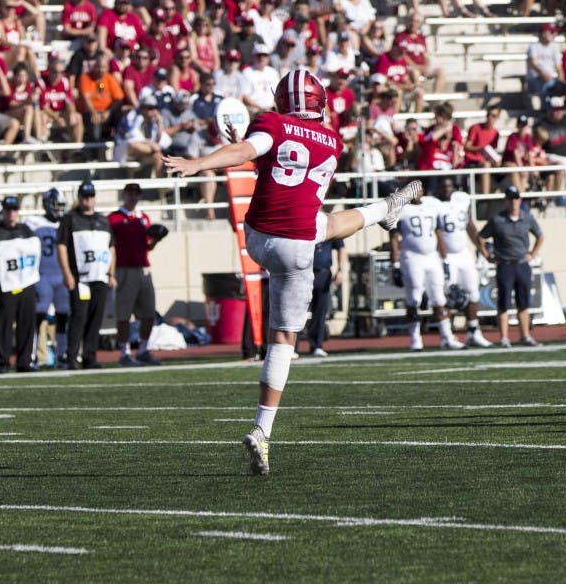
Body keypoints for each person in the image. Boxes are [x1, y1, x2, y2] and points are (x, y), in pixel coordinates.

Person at [163, 67, 422, 476]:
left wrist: (200, 164)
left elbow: (254, 155)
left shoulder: (271, 123)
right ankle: (262, 431)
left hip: (258, 236)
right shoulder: (333, 142)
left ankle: (384, 211)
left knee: (329, 225)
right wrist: (240, 153)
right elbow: (283, 166)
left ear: (282, 101)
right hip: (298, 244)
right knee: (284, 338)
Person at [390, 192, 464, 352]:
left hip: (432, 257)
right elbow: (394, 237)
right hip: (411, 256)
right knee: (414, 298)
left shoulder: (431, 206)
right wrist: (395, 264)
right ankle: (415, 338)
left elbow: (439, 234)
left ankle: (447, 337)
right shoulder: (402, 209)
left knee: (439, 297)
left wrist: (444, 259)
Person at [56, 181, 117, 370]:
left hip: (99, 276)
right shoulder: (70, 219)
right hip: (80, 277)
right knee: (78, 317)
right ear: (79, 198)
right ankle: (72, 356)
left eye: (90, 196)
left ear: (94, 198)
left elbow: (111, 248)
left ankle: (90, 356)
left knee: (95, 318)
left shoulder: (103, 220)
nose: (87, 200)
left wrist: (111, 273)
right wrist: (67, 273)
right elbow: (62, 246)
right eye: (84, 196)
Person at [477, 185, 543, 348]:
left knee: (524, 302)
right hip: (505, 264)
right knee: (504, 302)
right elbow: (481, 237)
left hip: (522, 263)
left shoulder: (527, 218)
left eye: (515, 198)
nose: (513, 202)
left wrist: (532, 254)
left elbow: (540, 236)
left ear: (519, 200)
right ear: (506, 201)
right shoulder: (497, 220)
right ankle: (504, 337)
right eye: (510, 199)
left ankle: (525, 335)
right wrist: (487, 256)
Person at [108, 183, 166, 367]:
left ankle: (142, 350)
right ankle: (124, 353)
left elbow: (147, 247)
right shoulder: (114, 218)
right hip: (124, 270)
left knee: (148, 313)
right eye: (130, 193)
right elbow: (110, 247)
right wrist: (111, 272)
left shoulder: (144, 218)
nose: (133, 197)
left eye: (136, 194)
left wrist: (156, 239)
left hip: (143, 269)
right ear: (124, 195)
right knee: (124, 315)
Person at [437, 177, 492, 348]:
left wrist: (482, 250)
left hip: (463, 254)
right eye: (443, 186)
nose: (446, 189)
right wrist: (442, 255)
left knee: (473, 293)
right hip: (446, 256)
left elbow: (470, 226)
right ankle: (447, 336)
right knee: (448, 296)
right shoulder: (432, 205)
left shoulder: (461, 200)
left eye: (449, 186)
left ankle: (474, 332)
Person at [0, 195, 40, 374]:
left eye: (14, 209)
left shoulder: (26, 230)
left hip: (26, 282)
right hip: (8, 283)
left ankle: (24, 361)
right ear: (3, 211)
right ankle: (2, 361)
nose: (11, 213)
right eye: (8, 210)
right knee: (5, 323)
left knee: (27, 322)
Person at [25, 187, 69, 368]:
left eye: (61, 205)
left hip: (61, 274)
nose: (58, 209)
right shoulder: (33, 223)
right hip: (42, 274)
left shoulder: (66, 223)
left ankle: (62, 355)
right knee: (38, 315)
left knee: (63, 316)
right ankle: (33, 355)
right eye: (55, 205)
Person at [306, 221, 346, 357]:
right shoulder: (302, 218)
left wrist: (341, 269)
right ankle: (292, 346)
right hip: (303, 273)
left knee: (320, 310)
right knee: (298, 312)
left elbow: (341, 247)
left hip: (322, 272)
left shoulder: (328, 222)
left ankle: (316, 344)